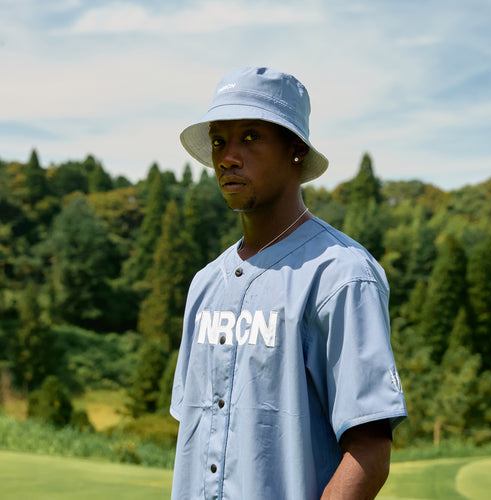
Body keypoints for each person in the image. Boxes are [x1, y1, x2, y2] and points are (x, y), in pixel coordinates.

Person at [170, 66, 407, 499]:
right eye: (220, 141)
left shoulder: (341, 275)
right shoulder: (205, 284)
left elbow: (369, 450)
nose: (227, 156)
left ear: (295, 149)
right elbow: (195, 430)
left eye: (250, 137)